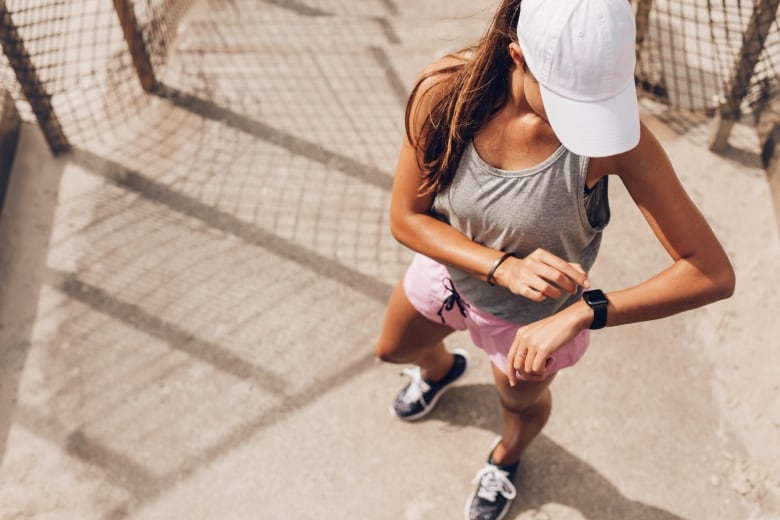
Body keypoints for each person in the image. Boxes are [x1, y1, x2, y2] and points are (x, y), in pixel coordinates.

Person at [374, 0, 736, 519]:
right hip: (449, 275)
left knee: (518, 406)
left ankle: (505, 459)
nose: (591, 126)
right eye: (572, 102)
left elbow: (711, 272)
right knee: (393, 349)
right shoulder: (443, 94)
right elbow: (407, 218)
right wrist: (503, 267)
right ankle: (440, 370)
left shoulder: (615, 141)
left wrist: (584, 310)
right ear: (517, 55)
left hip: (529, 325)